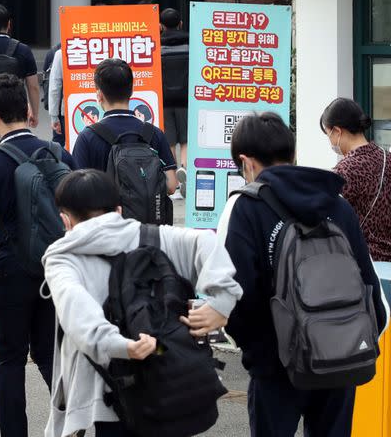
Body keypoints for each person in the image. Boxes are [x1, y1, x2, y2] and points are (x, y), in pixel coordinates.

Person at [203, 112, 388, 436]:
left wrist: (259, 356)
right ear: (292, 153)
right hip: (339, 361)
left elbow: (230, 294)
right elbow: (376, 299)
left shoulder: (245, 207)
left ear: (246, 163)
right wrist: (344, 342)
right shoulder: (337, 202)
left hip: (277, 369)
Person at [42, 169, 239, 437]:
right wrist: (221, 303)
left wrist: (122, 346)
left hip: (109, 392)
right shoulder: (155, 237)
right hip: (168, 380)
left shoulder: (63, 258)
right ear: (119, 210)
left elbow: (76, 310)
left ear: (65, 220)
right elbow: (206, 240)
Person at [0, 73, 76, 437]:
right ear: (29, 111)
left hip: (11, 270)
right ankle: (70, 421)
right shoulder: (59, 154)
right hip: (56, 268)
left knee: (11, 358)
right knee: (49, 354)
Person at [72, 58, 178, 194]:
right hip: (145, 215)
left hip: (107, 213)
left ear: (99, 95)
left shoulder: (88, 137)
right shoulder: (154, 133)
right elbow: (171, 185)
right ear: (132, 90)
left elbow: (79, 190)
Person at [321, 98, 391, 261]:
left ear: (337, 131)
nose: (330, 141)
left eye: (328, 134)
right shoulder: (388, 159)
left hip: (363, 265)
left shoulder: (344, 171)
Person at [0, 4, 40, 127]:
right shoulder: (23, 50)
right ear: (9, 24)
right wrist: (34, 114)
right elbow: (33, 86)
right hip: (16, 112)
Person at [159, 8, 190, 195]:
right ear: (181, 24)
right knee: (185, 141)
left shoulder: (157, 47)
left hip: (164, 101)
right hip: (186, 100)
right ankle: (185, 170)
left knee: (169, 142)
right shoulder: (191, 45)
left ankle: (175, 186)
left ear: (160, 26)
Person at [47, 47, 65, 145]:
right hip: (99, 108)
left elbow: (55, 87)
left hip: (66, 111)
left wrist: (54, 116)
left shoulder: (61, 53)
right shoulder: (104, 47)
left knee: (61, 148)